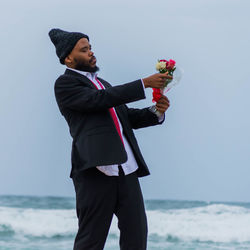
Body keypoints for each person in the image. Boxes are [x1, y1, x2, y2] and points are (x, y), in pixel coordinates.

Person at [49, 28, 171, 250]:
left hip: (126, 169)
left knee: (137, 236)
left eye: (90, 48)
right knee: (91, 239)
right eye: (84, 50)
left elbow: (124, 116)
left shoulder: (103, 83)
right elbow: (98, 100)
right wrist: (143, 83)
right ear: (68, 57)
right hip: (96, 171)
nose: (90, 53)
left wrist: (156, 112)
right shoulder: (65, 84)